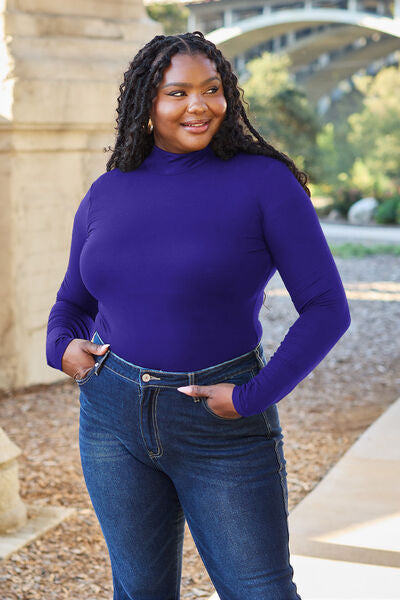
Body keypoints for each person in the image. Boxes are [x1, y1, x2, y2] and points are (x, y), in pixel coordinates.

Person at [46, 31, 351, 600]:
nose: (200, 106)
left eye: (212, 90)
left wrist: (252, 396)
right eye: (178, 93)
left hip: (221, 425)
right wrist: (60, 346)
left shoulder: (265, 183)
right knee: (140, 590)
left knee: (260, 591)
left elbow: (327, 308)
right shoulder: (108, 191)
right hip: (111, 417)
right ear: (147, 102)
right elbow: (73, 302)